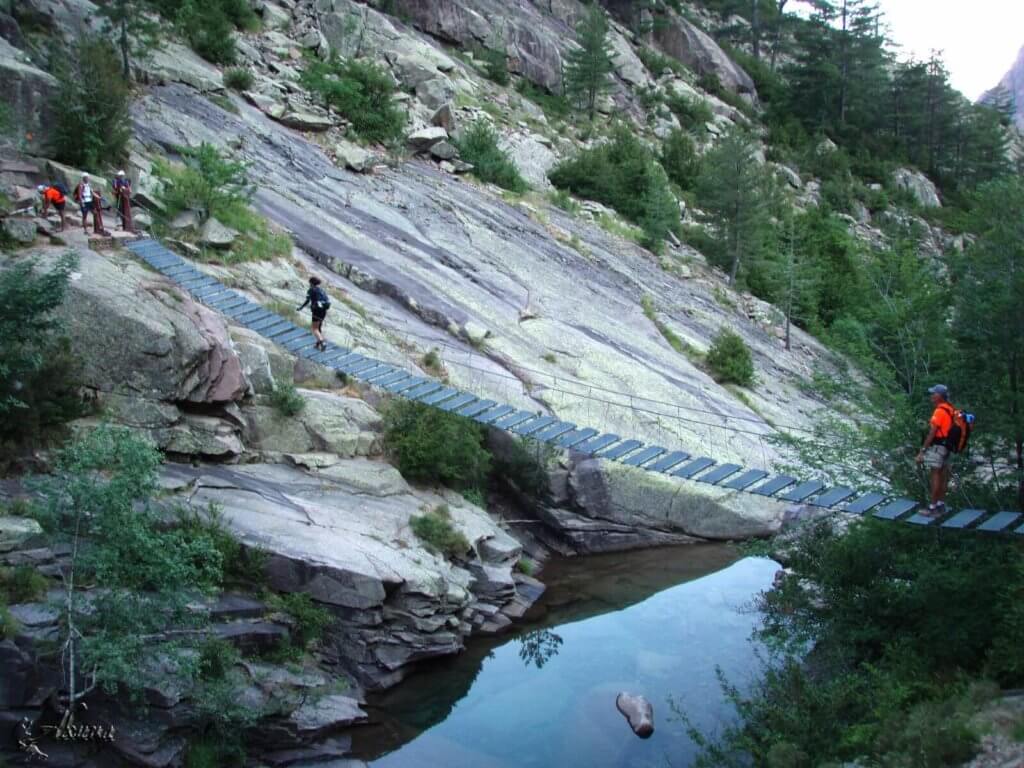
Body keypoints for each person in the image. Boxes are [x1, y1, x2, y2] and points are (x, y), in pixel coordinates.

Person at [916, 384, 954, 516]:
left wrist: (923, 451)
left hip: (938, 447)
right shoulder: (950, 409)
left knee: (935, 476)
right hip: (948, 447)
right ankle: (940, 505)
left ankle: (932, 508)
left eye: (933, 394)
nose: (931, 396)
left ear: (939, 396)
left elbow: (932, 433)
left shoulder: (939, 411)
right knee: (943, 476)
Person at [297, 276, 330, 351]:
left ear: (311, 283)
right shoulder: (322, 291)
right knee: (319, 327)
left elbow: (307, 300)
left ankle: (322, 342)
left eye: (309, 283)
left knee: (314, 328)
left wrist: (301, 308)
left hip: (316, 310)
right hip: (324, 311)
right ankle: (317, 345)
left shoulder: (311, 290)